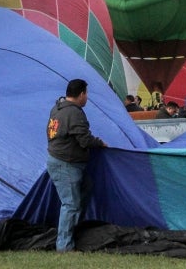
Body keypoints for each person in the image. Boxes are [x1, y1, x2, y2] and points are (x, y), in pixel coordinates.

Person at [45, 78, 107, 252]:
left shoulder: (57, 108)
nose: (87, 98)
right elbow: (84, 139)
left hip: (60, 160)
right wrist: (100, 143)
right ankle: (64, 247)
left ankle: (75, 231)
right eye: (86, 94)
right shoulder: (74, 112)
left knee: (86, 187)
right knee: (71, 204)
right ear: (81, 94)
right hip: (66, 164)